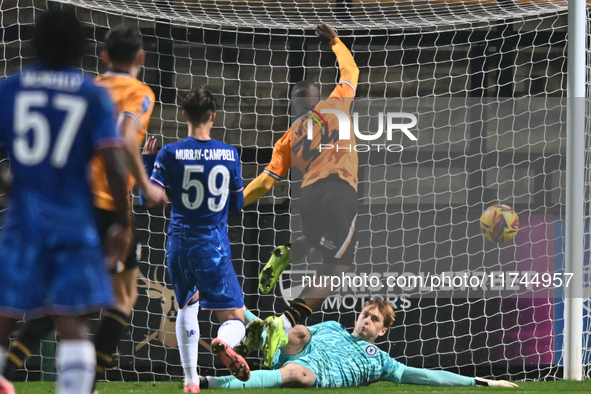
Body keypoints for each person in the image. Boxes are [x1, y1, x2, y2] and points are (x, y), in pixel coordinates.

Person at [1, 26, 168, 385]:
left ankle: (10, 366)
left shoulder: (78, 85)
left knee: (26, 303)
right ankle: (90, 379)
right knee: (119, 297)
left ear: (104, 57)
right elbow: (122, 141)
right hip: (97, 204)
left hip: (40, 203)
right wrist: (140, 192)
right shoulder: (107, 93)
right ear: (141, 58)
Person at [242, 23, 359, 336]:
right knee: (336, 270)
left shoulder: (288, 138)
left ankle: (287, 252)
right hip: (338, 187)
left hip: (307, 196)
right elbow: (350, 70)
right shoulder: (336, 103)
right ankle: (285, 322)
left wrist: (233, 200)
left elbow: (265, 184)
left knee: (315, 237)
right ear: (317, 96)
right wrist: (335, 41)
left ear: (293, 106)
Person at [142, 87, 249, 392]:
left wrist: (148, 162)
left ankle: (191, 381)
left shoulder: (170, 153)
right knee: (235, 319)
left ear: (183, 115)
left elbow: (148, 199)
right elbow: (237, 207)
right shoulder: (229, 154)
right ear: (213, 117)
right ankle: (224, 342)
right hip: (212, 245)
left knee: (186, 307)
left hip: (179, 243)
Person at [200, 299, 518, 389]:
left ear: (381, 332)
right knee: (300, 331)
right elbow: (297, 334)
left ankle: (211, 381)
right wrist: (245, 314)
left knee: (298, 375)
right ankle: (256, 337)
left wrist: (481, 381)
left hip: (309, 370)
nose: (366, 320)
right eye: (365, 314)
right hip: (293, 346)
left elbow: (426, 376)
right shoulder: (333, 327)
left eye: (374, 319)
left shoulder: (382, 361)